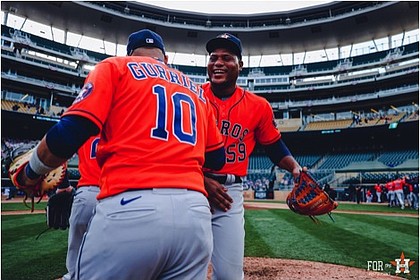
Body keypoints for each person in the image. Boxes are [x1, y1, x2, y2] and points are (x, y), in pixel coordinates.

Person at [16, 29, 225, 280]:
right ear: (165, 58)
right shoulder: (196, 91)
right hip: (195, 216)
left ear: (130, 54)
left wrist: (29, 173)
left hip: (131, 206)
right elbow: (217, 159)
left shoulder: (116, 67)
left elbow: (70, 132)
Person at [202, 33, 301, 280]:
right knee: (184, 268)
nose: (218, 63)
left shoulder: (258, 106)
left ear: (240, 66)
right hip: (190, 186)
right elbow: (174, 148)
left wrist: (296, 169)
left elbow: (274, 146)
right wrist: (200, 180)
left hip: (229, 193)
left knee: (229, 276)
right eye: (213, 58)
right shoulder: (190, 96)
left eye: (226, 58)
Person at [61, 135, 101, 280]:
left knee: (76, 248)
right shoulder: (119, 126)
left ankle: (73, 275)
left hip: (87, 193)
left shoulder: (85, 129)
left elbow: (60, 153)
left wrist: (63, 186)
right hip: (114, 194)